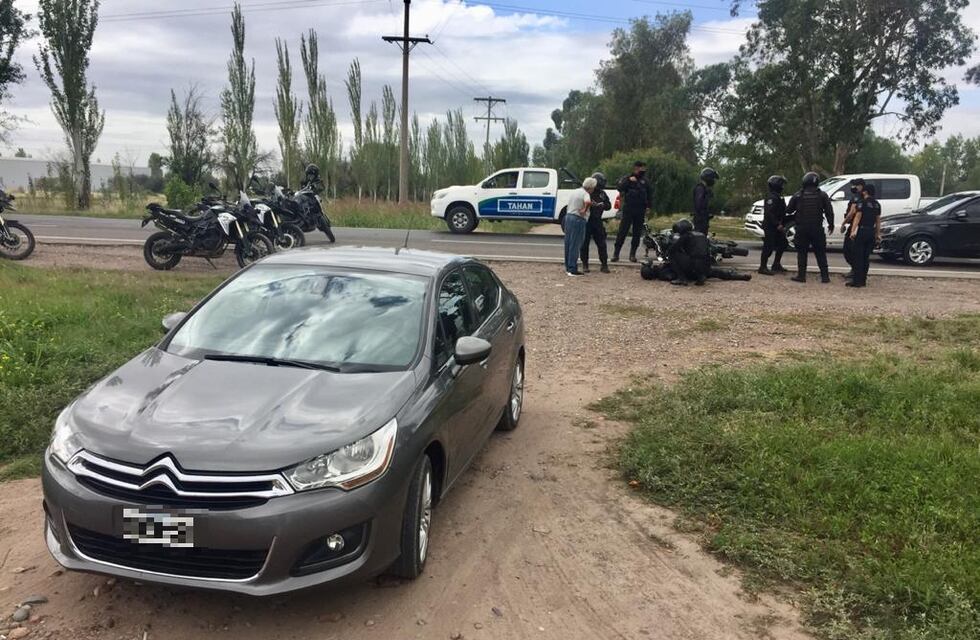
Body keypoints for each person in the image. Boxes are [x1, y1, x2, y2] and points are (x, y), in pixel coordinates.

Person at [786, 172, 834, 283]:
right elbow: (829, 212)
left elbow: (789, 210)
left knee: (802, 252)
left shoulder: (798, 195)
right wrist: (831, 224)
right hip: (817, 228)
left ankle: (801, 276)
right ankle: (825, 276)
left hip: (802, 228)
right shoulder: (822, 195)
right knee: (820, 252)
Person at [613, 161, 654, 263]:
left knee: (637, 233)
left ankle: (632, 254)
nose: (642, 170)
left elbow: (650, 194)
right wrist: (628, 180)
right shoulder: (628, 178)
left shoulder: (645, 181)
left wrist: (649, 207)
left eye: (644, 168)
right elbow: (619, 188)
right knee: (623, 231)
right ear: (635, 168)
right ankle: (616, 254)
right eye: (640, 168)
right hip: (629, 208)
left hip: (640, 209)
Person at [846, 183, 882, 288]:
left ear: (865, 192)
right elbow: (878, 221)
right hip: (871, 231)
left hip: (862, 231)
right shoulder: (877, 204)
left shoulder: (862, 203)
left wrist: (853, 231)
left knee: (858, 257)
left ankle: (856, 281)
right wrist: (877, 234)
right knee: (866, 258)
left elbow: (857, 217)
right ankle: (863, 280)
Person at [563, 177, 596, 277]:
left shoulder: (576, 191)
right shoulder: (586, 194)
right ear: (590, 187)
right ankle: (573, 268)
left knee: (568, 243)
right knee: (576, 244)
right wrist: (584, 210)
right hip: (578, 219)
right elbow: (588, 202)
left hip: (568, 217)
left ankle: (568, 267)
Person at [581, 172, 611, 273]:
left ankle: (604, 265)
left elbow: (608, 205)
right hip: (587, 221)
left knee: (602, 243)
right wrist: (591, 205)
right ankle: (585, 264)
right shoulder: (587, 192)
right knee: (584, 244)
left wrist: (602, 205)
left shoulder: (602, 193)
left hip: (597, 221)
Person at [759, 175, 789, 275]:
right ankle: (762, 267)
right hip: (770, 226)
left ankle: (776, 264)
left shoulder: (778, 196)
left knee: (783, 243)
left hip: (777, 226)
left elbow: (782, 211)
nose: (782, 187)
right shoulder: (771, 197)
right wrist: (777, 224)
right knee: (768, 246)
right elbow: (769, 213)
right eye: (781, 184)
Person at [840, 178, 865, 280]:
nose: (853, 187)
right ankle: (856, 271)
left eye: (855, 185)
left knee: (848, 250)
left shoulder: (857, 197)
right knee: (856, 251)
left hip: (855, 226)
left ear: (860, 186)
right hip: (861, 227)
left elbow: (852, 213)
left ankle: (855, 271)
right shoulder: (866, 197)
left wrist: (843, 223)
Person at [693, 168, 719, 234]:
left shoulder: (705, 189)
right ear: (708, 178)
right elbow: (699, 205)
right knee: (699, 239)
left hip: (704, 220)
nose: (713, 181)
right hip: (700, 221)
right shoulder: (700, 189)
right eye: (712, 178)